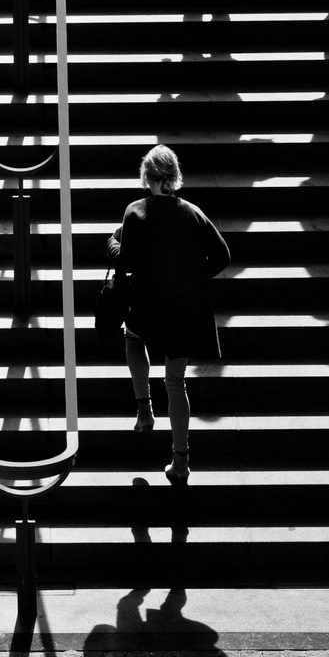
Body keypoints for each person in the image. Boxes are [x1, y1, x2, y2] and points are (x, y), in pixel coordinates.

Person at [107, 146, 230, 485]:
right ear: (176, 176)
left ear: (147, 177)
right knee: (176, 382)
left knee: (133, 339)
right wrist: (192, 274)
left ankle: (144, 409)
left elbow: (125, 261)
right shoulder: (193, 213)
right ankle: (180, 459)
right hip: (183, 311)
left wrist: (113, 244)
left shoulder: (136, 211)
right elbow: (222, 255)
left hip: (147, 306)